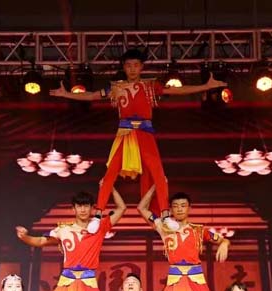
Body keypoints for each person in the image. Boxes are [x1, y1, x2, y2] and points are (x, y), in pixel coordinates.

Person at [49, 48, 227, 233]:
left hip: (145, 133)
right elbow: (92, 95)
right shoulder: (116, 87)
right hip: (125, 134)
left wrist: (205, 87)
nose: (132, 69)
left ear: (141, 67)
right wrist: (66, 94)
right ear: (124, 67)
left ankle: (165, 215)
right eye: (128, 65)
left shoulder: (150, 86)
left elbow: (177, 90)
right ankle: (98, 215)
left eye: (135, 65)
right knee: (110, 174)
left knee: (158, 173)